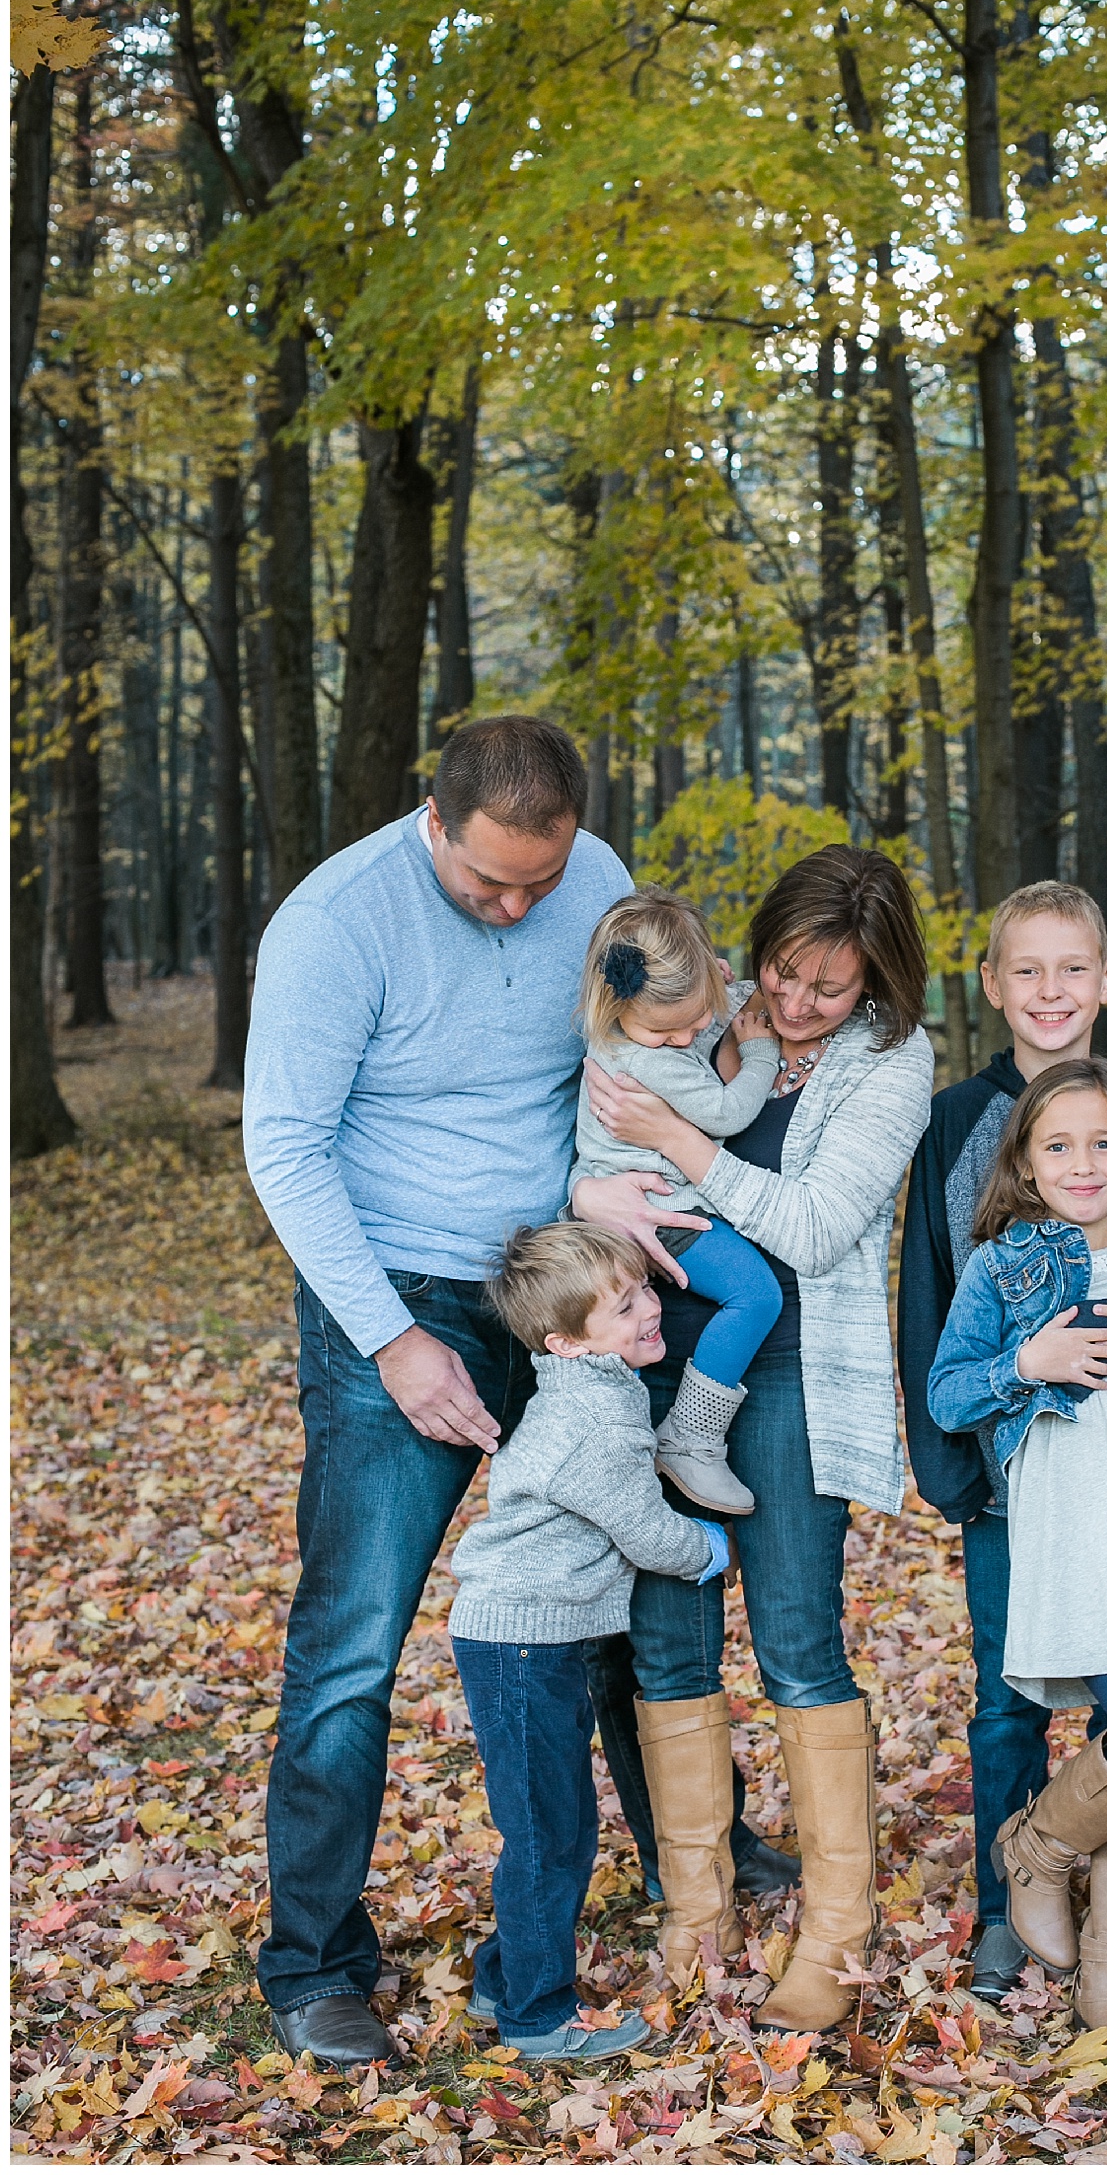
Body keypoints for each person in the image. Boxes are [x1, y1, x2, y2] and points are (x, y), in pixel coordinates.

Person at [240, 715, 782, 2069]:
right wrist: (389, 1342)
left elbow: (629, 1043)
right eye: (493, 883)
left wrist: (600, 1180)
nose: (522, 906)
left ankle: (688, 1851)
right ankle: (314, 1963)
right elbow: (286, 1150)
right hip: (403, 1300)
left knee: (605, 1585)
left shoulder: (590, 876)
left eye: (541, 884)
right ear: (435, 818)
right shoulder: (336, 926)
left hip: (565, 1290)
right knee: (353, 1639)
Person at [578, 845, 933, 2028]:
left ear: (876, 981)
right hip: (647, 1354)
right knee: (670, 1646)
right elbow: (585, 1144)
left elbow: (821, 1226)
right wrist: (593, 1193)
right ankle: (697, 1913)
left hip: (784, 1374)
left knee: (793, 1639)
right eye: (783, 970)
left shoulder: (892, 1060)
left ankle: (834, 1929)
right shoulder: (700, 1008)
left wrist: (682, 1148)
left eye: (828, 988)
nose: (793, 1002)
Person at [898, 881, 1107, 2002]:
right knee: (1008, 1700)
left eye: (1073, 968)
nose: (1052, 991)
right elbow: (930, 1295)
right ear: (993, 986)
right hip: (1013, 1471)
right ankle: (1008, 1912)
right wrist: (950, 1463)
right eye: (1027, 971)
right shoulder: (957, 1120)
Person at [448, 1222, 731, 2062]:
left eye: (642, 1288)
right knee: (549, 1830)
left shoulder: (590, 1389)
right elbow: (647, 1533)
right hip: (522, 1644)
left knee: (549, 1820)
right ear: (564, 1342)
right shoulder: (593, 1422)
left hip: (533, 1639)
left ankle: (503, 1976)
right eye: (622, 1307)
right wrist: (710, 1549)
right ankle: (537, 2014)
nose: (650, 1309)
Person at [574, 890, 785, 1514]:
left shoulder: (628, 1026)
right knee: (755, 1294)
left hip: (618, 1209)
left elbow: (693, 1020)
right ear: (619, 1005)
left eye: (698, 1020)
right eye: (670, 1031)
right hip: (659, 1215)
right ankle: (692, 1435)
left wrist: (719, 1003)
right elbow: (726, 1111)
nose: (688, 1038)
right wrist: (762, 1051)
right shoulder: (649, 1060)